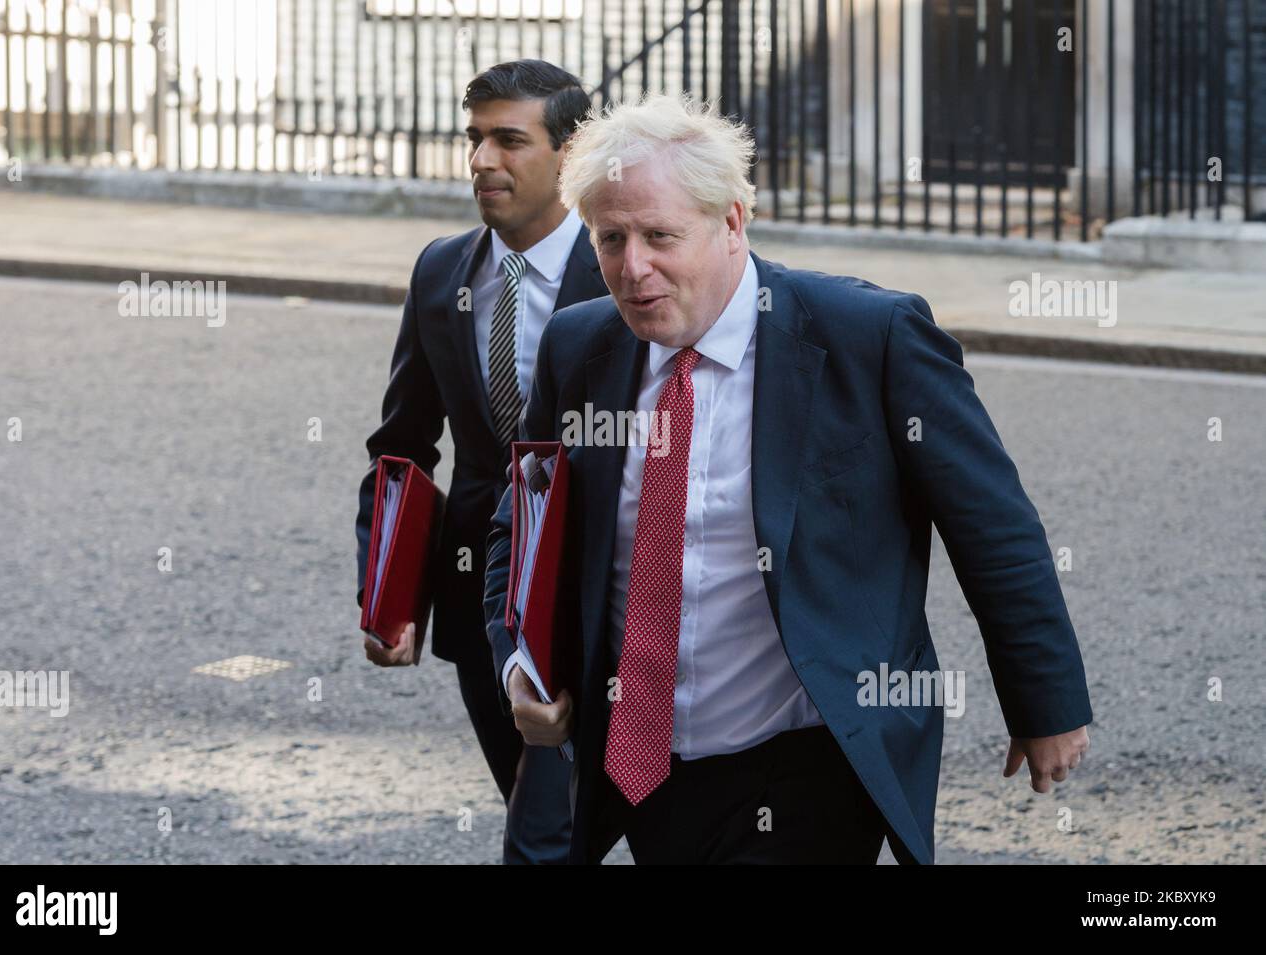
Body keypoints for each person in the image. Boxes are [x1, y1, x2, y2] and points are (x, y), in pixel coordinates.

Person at [483, 94, 1093, 864]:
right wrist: (519, 662)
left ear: (732, 221)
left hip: (805, 758)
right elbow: (521, 525)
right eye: (610, 239)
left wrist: (1045, 702)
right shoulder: (578, 347)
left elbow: (992, 523)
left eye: (659, 236)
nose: (632, 268)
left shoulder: (869, 336)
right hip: (638, 762)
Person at [355, 60, 608, 864]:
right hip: (486, 607)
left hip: (607, 600)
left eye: (508, 140)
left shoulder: (623, 270)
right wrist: (387, 594)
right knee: (541, 821)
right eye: (473, 140)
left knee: (562, 835)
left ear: (570, 152)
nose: (481, 162)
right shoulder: (441, 271)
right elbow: (402, 443)